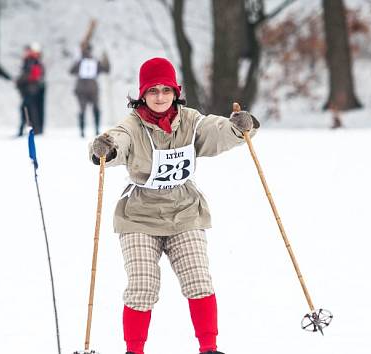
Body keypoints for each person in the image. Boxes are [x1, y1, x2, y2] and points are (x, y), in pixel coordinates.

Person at [88, 57, 260, 354]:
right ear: (142, 94)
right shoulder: (132, 125)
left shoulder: (190, 120)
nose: (159, 97)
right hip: (140, 216)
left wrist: (238, 128)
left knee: (198, 278)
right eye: (152, 91)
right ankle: (134, 350)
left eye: (166, 90)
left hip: (184, 211)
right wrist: (106, 148)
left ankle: (209, 348)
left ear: (175, 92)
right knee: (143, 285)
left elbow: (213, 130)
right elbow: (119, 140)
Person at [70, 44, 110, 137]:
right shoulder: (89, 61)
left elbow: (71, 71)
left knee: (89, 109)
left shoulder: (88, 61)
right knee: (87, 109)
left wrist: (106, 59)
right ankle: (87, 130)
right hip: (88, 89)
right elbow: (106, 69)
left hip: (87, 89)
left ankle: (90, 130)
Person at [16, 42, 45, 136]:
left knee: (27, 109)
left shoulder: (31, 61)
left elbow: (28, 75)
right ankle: (35, 129)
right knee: (30, 109)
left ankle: (31, 129)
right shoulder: (35, 61)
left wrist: (19, 81)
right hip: (32, 89)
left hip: (30, 89)